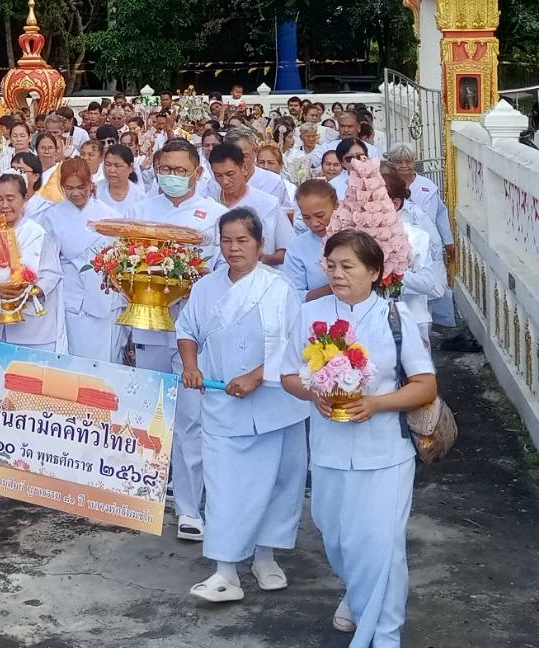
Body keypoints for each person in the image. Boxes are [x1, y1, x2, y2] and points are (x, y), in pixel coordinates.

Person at [280, 229, 437, 645]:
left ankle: (383, 634)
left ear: (373, 271)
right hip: (330, 448)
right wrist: (314, 392)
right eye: (331, 266)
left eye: (348, 266)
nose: (337, 274)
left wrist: (376, 404)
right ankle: (358, 594)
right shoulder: (309, 314)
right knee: (338, 538)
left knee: (381, 545)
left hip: (386, 451)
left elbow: (424, 385)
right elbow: (289, 374)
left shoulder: (394, 317)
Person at [177, 208, 309, 602]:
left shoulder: (280, 288)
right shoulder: (205, 288)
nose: (234, 248)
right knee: (226, 488)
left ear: (259, 245)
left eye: (242, 240)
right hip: (222, 405)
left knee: (274, 485)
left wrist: (257, 375)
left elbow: (295, 346)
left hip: (274, 406)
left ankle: (266, 557)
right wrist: (191, 365)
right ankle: (225, 571)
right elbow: (187, 330)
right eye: (227, 240)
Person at [126, 138, 227, 542]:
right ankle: (144, 496)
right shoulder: (139, 212)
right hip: (148, 328)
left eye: (181, 170)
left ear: (197, 173)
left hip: (192, 333)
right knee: (147, 417)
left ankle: (189, 508)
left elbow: (220, 274)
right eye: (165, 168)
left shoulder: (215, 216)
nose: (172, 176)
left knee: (190, 423)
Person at [43, 158, 122, 362]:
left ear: (90, 183)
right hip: (69, 298)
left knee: (104, 359)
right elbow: (47, 261)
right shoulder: (51, 216)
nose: (76, 193)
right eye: (69, 188)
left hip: (102, 297)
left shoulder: (110, 216)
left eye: (81, 187)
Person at [0, 173, 64, 352]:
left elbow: (51, 274)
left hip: (32, 328)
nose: (4, 205)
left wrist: (26, 291)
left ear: (25, 198)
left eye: (10, 198)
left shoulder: (38, 234)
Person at [384, 145, 454, 327]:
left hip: (424, 249)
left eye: (408, 161)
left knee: (425, 301)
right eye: (399, 162)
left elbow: (440, 215)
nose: (404, 166)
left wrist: (448, 242)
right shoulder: (384, 187)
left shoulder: (427, 187)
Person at [207, 143, 292, 266]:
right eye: (218, 176)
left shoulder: (268, 204)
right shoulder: (210, 201)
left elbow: (287, 250)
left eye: (230, 174)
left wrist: (261, 258)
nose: (225, 181)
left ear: (244, 169)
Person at [285, 179, 335, 301]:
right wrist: (332, 288)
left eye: (320, 215)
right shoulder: (298, 247)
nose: (314, 223)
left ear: (336, 206)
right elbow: (293, 295)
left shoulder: (355, 237)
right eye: (306, 217)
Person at [97, 143, 143, 210]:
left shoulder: (140, 197)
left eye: (118, 166)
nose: (112, 170)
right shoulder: (94, 191)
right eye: (108, 164)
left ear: (130, 168)